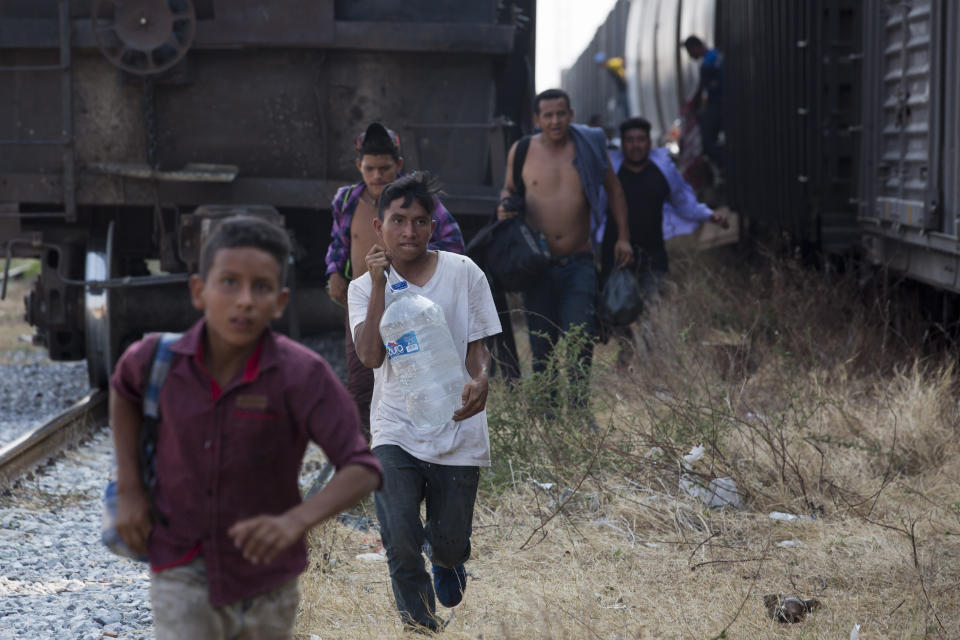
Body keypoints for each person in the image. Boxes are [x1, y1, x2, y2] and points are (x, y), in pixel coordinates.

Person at [110, 215, 383, 640]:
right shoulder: (155, 360)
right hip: (181, 566)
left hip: (268, 583)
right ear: (199, 290)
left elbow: (362, 467)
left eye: (261, 287)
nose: (244, 300)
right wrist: (129, 489)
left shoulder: (301, 374)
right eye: (229, 283)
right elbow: (123, 390)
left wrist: (296, 521)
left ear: (280, 300)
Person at [348, 172, 501, 633]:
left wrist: (481, 379)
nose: (408, 232)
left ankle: (450, 561)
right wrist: (379, 285)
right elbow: (371, 356)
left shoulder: (463, 273)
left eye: (418, 222)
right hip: (396, 427)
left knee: (448, 541)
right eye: (398, 221)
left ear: (433, 227)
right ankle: (420, 627)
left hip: (456, 422)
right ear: (379, 227)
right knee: (398, 535)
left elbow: (478, 348)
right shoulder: (361, 289)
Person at [497, 88, 632, 413]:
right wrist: (504, 206)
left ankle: (579, 408)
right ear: (537, 119)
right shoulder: (523, 149)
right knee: (541, 343)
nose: (555, 121)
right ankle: (547, 410)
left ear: (571, 115)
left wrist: (623, 236)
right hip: (536, 266)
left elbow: (614, 190)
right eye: (548, 115)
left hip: (579, 262)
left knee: (579, 337)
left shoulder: (587, 148)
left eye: (561, 114)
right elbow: (509, 188)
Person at [325, 122, 465, 436]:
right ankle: (364, 456)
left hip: (411, 304)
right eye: (370, 168)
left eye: (385, 168)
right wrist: (334, 272)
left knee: (416, 376)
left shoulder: (417, 200)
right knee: (361, 380)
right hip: (364, 303)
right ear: (358, 165)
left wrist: (409, 264)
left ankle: (421, 442)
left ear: (399, 165)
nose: (377, 176)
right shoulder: (346, 200)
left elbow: (453, 243)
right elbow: (338, 242)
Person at [602, 117, 728, 295]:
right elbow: (593, 209)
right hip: (616, 256)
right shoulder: (610, 175)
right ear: (622, 144)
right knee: (617, 313)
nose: (635, 145)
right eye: (629, 140)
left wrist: (709, 215)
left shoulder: (663, 172)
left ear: (650, 142)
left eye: (641, 139)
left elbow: (684, 203)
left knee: (653, 313)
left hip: (653, 257)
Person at [683, 35, 725, 170]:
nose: (690, 56)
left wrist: (694, 106)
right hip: (726, 103)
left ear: (695, 47)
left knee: (706, 143)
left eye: (689, 52)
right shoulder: (716, 54)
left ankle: (725, 166)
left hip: (719, 104)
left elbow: (702, 89)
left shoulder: (706, 65)